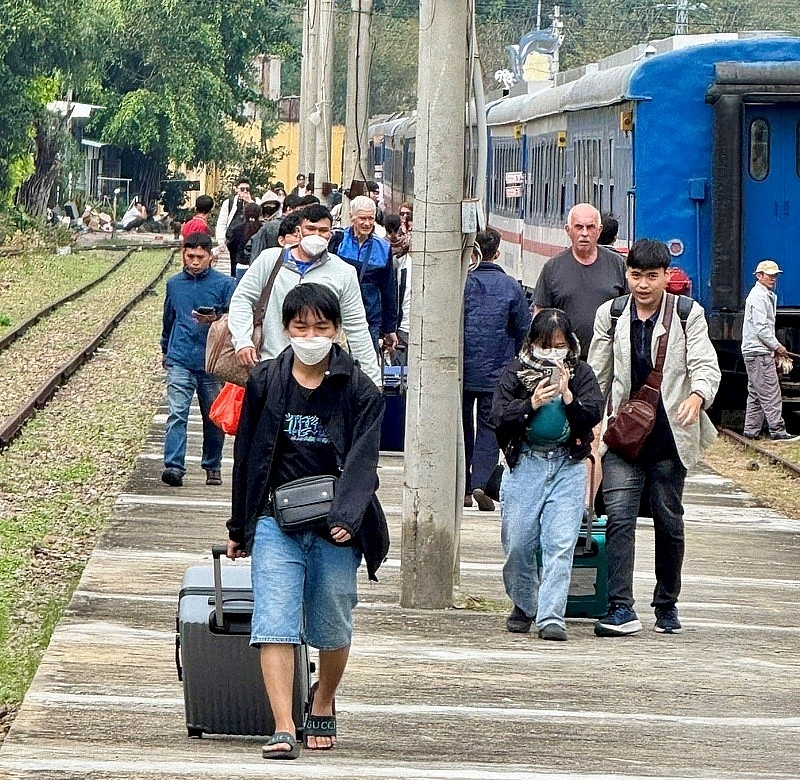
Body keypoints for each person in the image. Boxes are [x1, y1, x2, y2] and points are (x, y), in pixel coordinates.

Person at [226, 283, 389, 759]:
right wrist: (241, 526)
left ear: (337, 331)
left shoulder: (358, 387)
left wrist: (348, 516)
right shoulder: (266, 381)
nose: (311, 335)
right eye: (301, 327)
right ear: (285, 329)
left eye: (321, 327)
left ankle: (323, 698)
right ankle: (283, 725)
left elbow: (364, 460)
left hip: (335, 525)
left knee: (331, 622)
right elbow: (248, 455)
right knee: (273, 619)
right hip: (278, 519)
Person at [588, 239, 721, 636]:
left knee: (669, 521)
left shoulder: (687, 314)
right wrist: (591, 424)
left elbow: (704, 363)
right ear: (626, 275)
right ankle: (620, 607)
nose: (642, 285)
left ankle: (667, 604)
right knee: (619, 518)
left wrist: (698, 395)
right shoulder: (610, 315)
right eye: (635, 275)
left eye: (651, 276)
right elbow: (597, 373)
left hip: (669, 438)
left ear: (666, 276)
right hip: (624, 438)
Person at [493, 308, 603, 640]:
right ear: (532, 344)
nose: (552, 352)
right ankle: (525, 603)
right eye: (545, 345)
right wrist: (532, 404)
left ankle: (551, 615)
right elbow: (498, 416)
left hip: (567, 465)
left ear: (570, 344)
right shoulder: (515, 372)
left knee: (560, 541)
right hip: (526, 462)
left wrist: (568, 396)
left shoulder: (581, 373)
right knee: (518, 542)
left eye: (559, 345)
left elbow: (592, 414)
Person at [533, 203, 627, 512]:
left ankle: (586, 507)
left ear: (600, 231)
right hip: (564, 368)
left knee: (595, 437)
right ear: (568, 231)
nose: (584, 234)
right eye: (579, 227)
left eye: (590, 227)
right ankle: (565, 502)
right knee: (563, 435)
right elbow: (541, 318)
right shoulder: (554, 269)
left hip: (606, 368)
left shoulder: (616, 267)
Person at [228, 204, 382, 387]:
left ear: (330, 235)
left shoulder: (343, 272)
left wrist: (373, 380)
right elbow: (242, 299)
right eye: (311, 228)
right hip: (272, 367)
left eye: (323, 230)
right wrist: (243, 341)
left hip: (321, 375)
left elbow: (357, 328)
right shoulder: (269, 260)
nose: (316, 234)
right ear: (299, 231)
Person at [160, 233, 237, 488]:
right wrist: (165, 349)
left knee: (213, 416)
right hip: (180, 357)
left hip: (212, 361)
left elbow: (234, 318)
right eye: (190, 256)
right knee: (177, 413)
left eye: (200, 257)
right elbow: (168, 318)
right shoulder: (174, 284)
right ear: (184, 254)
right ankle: (173, 465)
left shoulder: (225, 284)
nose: (194, 262)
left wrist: (215, 319)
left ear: (210, 257)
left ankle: (212, 464)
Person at [463, 228, 530, 511]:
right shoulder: (511, 287)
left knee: (462, 427)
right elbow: (523, 331)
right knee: (490, 427)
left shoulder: (462, 282)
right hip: (497, 372)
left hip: (462, 370)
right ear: (498, 253)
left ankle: (463, 488)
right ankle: (482, 481)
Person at [328, 195, 398, 354]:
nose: (367, 223)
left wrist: (389, 328)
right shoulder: (337, 241)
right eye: (362, 218)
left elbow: (388, 290)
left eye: (371, 218)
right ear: (352, 217)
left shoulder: (383, 248)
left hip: (368, 320)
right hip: (338, 319)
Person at [741, 260, 800, 441]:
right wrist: (777, 346)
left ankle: (751, 430)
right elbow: (761, 328)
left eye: (775, 275)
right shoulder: (759, 297)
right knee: (770, 391)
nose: (773, 278)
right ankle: (778, 430)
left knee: (756, 393)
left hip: (754, 351)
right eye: (769, 275)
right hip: (759, 351)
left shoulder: (762, 295)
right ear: (759, 276)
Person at [215, 178, 253, 256]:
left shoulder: (255, 201)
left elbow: (259, 215)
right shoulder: (229, 203)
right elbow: (222, 222)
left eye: (247, 189)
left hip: (248, 241)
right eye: (242, 189)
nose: (245, 191)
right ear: (236, 189)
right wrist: (221, 240)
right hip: (231, 241)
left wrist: (250, 203)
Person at [227, 202, 263, 280]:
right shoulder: (263, 229)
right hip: (258, 266)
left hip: (241, 264)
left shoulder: (237, 229)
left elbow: (231, 246)